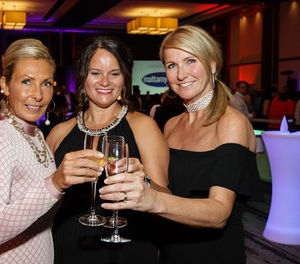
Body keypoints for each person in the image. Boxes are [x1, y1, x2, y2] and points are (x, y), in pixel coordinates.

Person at [100, 25, 264, 264]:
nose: (181, 74)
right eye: (172, 65)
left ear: (213, 65)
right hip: (170, 252)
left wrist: (151, 200)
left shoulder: (232, 123)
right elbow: (169, 192)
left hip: (214, 256)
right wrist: (142, 177)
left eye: (190, 61)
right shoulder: (172, 125)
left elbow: (219, 212)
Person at [0, 38, 104, 263]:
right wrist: (56, 183)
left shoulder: (36, 134)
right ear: (4, 85)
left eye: (46, 83)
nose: (38, 94)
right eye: (26, 81)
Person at [47, 35, 169, 264]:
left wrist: (146, 185)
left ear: (124, 78)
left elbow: (167, 199)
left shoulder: (143, 127)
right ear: (83, 76)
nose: (105, 82)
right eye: (96, 73)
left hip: (126, 246)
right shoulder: (59, 133)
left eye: (114, 73)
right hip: (68, 244)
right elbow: (36, 191)